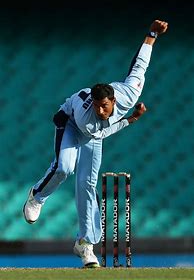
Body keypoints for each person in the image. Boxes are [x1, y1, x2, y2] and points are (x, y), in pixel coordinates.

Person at [23, 19, 168, 268]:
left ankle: (85, 245)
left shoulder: (129, 94)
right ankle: (37, 196)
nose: (101, 110)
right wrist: (131, 121)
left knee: (88, 185)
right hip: (70, 124)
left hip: (94, 135)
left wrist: (152, 33)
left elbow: (139, 66)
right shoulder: (86, 115)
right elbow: (103, 131)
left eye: (105, 105)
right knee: (65, 168)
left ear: (113, 100)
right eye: (98, 105)